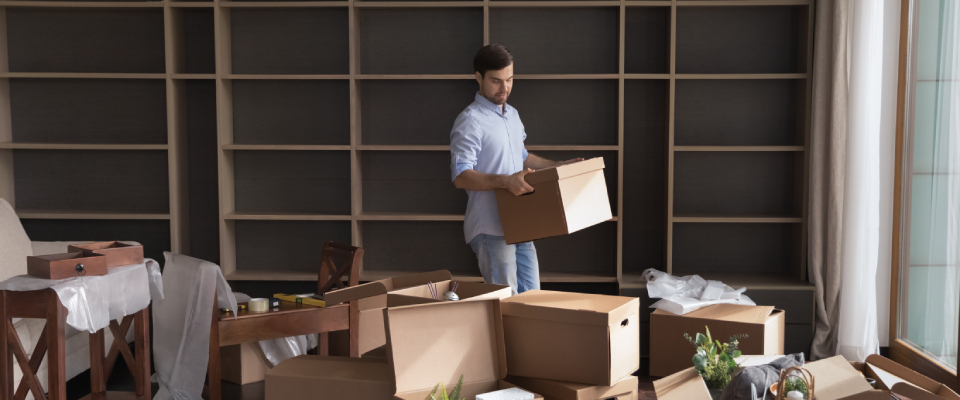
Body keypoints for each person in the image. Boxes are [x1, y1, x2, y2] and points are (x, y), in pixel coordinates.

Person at [449, 44, 582, 295]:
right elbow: (460, 176)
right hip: (490, 228)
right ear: (479, 78)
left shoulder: (512, 114)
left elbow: (522, 157)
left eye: (509, 79)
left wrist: (560, 167)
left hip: (521, 221)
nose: (505, 88)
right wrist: (505, 181)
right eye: (496, 81)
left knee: (533, 295)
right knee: (506, 302)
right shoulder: (470, 121)